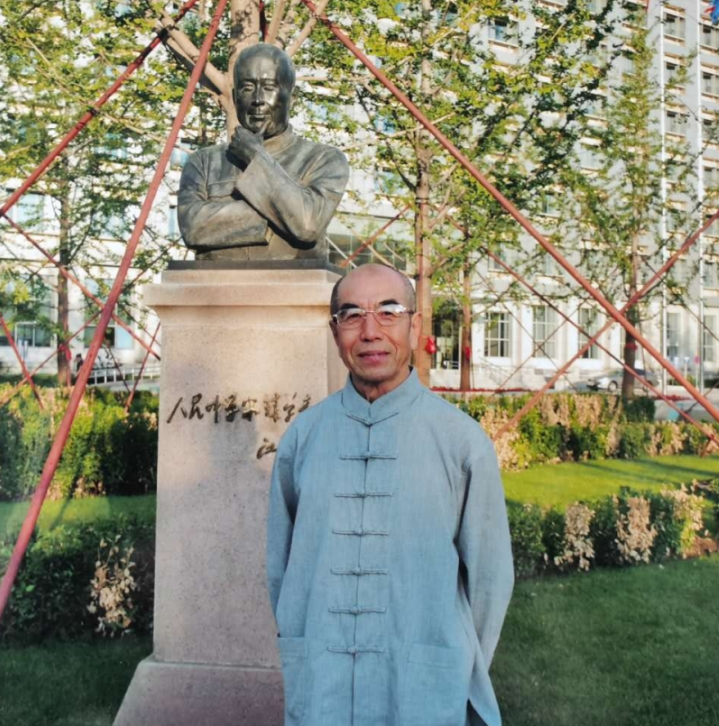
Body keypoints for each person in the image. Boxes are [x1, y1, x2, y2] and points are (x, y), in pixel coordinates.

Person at [266, 263, 514, 726]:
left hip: (421, 688)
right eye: (352, 315)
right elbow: (282, 571)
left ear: (415, 326)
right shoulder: (304, 437)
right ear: (334, 331)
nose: (370, 332)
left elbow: (490, 580)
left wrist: (449, 658)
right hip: (323, 685)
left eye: (388, 312)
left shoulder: (461, 442)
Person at [178, 43, 350, 262]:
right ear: (235, 97)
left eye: (269, 87)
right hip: (213, 281)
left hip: (295, 281)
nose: (258, 99)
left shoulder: (324, 159)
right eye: (247, 88)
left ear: (292, 98)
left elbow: (308, 224)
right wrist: (282, 213)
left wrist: (255, 157)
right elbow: (192, 228)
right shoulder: (203, 162)